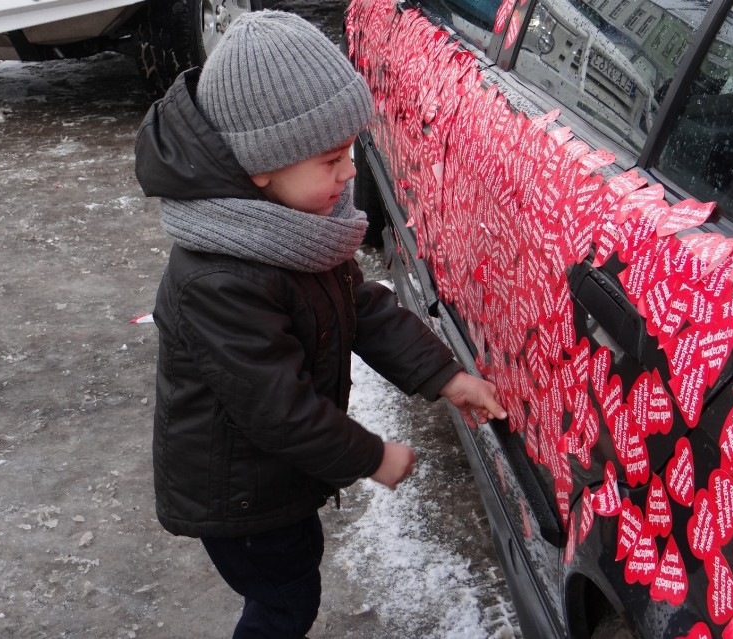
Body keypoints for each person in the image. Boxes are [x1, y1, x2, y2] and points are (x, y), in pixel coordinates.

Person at [134, 10, 507, 639]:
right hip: (237, 491)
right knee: (284, 602)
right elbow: (277, 409)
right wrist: (372, 456)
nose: (349, 173)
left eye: (351, 152)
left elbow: (353, 306)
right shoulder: (221, 277)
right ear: (261, 166)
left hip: (274, 475)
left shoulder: (286, 229)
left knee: (293, 577)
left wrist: (443, 375)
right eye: (332, 159)